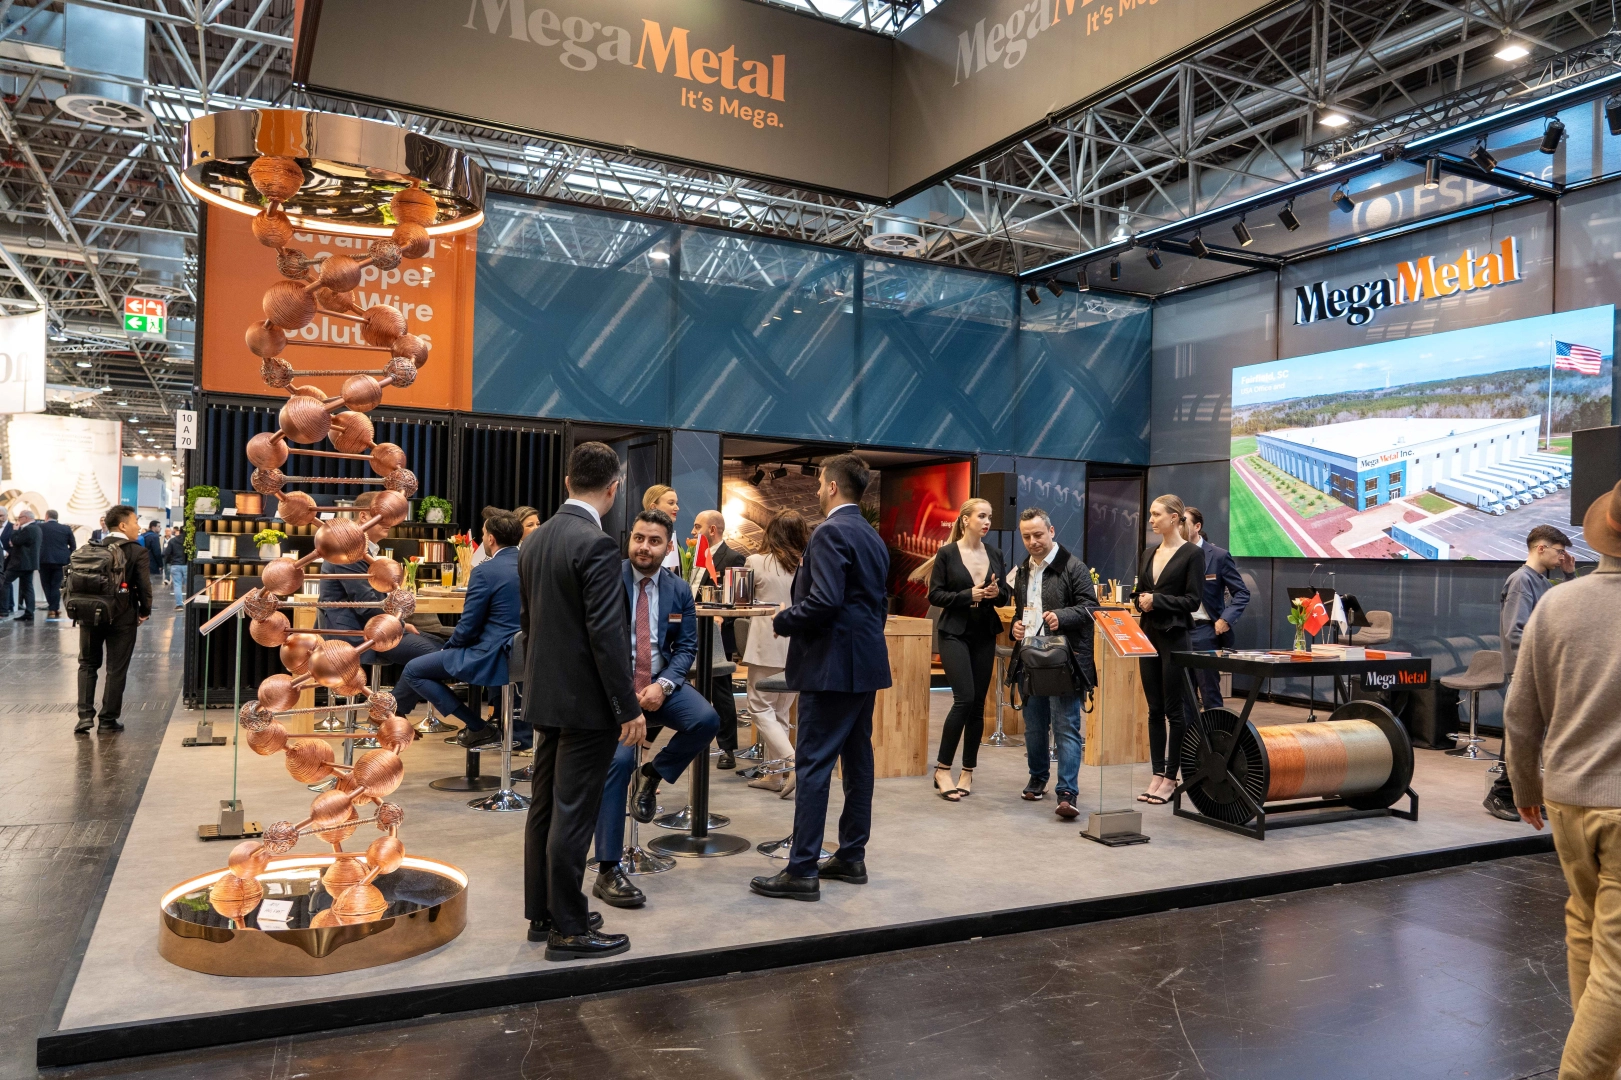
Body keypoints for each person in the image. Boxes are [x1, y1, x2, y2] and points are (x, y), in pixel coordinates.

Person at [1504, 480, 1621, 1080]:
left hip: (1567, 798)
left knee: (1584, 923)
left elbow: (1520, 712)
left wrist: (1524, 786)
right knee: (1618, 969)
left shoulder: (1555, 604)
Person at [519, 442, 645, 960]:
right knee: (573, 813)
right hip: (586, 703)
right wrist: (627, 706)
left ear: (568, 481)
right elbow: (607, 636)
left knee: (546, 807)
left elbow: (529, 624)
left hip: (546, 695)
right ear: (613, 489)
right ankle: (569, 929)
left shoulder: (534, 540)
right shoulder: (596, 544)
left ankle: (544, 912)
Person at [750, 454, 890, 902]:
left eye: (818, 484)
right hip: (864, 664)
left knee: (812, 766)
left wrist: (784, 619)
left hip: (831, 667)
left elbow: (824, 602)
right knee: (858, 762)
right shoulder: (871, 535)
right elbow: (876, 605)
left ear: (831, 486)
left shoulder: (830, 532)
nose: (815, 490)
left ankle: (802, 869)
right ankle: (851, 856)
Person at [590, 509, 719, 910]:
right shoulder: (607, 579)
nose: (644, 547)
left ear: (668, 547)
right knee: (616, 764)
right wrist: (626, 697)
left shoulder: (679, 589)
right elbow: (595, 644)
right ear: (630, 539)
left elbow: (685, 647)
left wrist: (663, 686)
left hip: (660, 687)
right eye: (639, 538)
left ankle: (653, 774)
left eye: (654, 541)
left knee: (706, 720)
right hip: (616, 695)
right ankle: (608, 868)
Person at [396, 514, 521, 748]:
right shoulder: (536, 565)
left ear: (491, 539)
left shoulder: (485, 571)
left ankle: (479, 727)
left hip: (493, 656)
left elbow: (469, 624)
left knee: (414, 670)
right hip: (530, 655)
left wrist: (450, 647)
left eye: (483, 534)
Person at [1009, 507, 1100, 819]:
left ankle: (1067, 792)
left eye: (1038, 534)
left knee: (1066, 726)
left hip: (1065, 661)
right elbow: (1022, 610)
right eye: (1026, 536)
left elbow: (1091, 609)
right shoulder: (1023, 570)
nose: (1032, 541)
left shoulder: (1074, 567)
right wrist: (1016, 627)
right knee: (1034, 726)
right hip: (1030, 658)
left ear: (1051, 531)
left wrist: (1061, 616)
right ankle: (1038, 778)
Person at [1484, 524, 1575, 821]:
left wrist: (1569, 575)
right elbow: (1515, 632)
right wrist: (1536, 666)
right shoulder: (1522, 580)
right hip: (1526, 670)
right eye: (1559, 551)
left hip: (1537, 669)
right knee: (1521, 734)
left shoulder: (1540, 581)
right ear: (1540, 548)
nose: (1562, 557)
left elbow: (1569, 608)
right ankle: (1500, 794)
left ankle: (1522, 796)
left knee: (1528, 735)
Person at [924, 498, 1009, 802]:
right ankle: (942, 769)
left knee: (977, 705)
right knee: (964, 698)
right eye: (981, 516)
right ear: (965, 520)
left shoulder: (995, 554)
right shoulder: (947, 553)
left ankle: (968, 771)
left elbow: (1005, 596)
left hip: (984, 633)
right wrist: (967, 595)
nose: (987, 522)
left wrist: (997, 593)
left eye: (990, 517)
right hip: (954, 633)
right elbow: (935, 595)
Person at [1131, 494, 1204, 806]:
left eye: (1156, 514)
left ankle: (1171, 777)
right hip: (1148, 635)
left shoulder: (1192, 554)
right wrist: (1140, 600)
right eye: (1151, 514)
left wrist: (1157, 600)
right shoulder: (1149, 553)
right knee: (1154, 709)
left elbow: (1193, 601)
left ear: (1174, 517)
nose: (1151, 519)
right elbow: (1139, 591)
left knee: (1175, 711)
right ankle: (1156, 774)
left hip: (1175, 637)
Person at [743, 510, 809, 794]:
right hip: (798, 645)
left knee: (759, 707)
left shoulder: (756, 562)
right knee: (780, 710)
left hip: (766, 644)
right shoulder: (808, 563)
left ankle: (792, 762)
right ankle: (774, 776)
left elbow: (742, 602)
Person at [74, 504, 151, 734]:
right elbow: (144, 587)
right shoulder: (136, 551)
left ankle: (84, 717)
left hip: (90, 614)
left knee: (87, 664)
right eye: (135, 522)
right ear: (123, 525)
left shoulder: (91, 548)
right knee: (116, 669)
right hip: (122, 616)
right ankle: (108, 720)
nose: (138, 527)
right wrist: (144, 611)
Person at [691, 508, 747, 769]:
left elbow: (736, 602)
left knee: (721, 691)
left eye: (697, 526)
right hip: (691, 631)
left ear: (712, 530)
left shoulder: (734, 558)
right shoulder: (694, 558)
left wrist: (721, 617)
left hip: (717, 635)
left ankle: (727, 748)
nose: (693, 532)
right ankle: (695, 743)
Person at [1182, 506, 1249, 709]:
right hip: (1178, 629)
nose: (1179, 527)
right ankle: (1190, 731)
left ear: (1197, 526)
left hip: (1205, 631)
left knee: (1209, 692)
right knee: (1183, 696)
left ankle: (1216, 730)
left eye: (1184, 522)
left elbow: (1242, 592)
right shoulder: (1172, 554)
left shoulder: (1218, 556)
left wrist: (1226, 619)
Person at [38, 509, 76, 620]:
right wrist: (68, 556)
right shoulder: (66, 528)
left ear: (46, 516)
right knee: (56, 585)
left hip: (43, 560)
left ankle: (52, 608)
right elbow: (73, 545)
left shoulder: (40, 527)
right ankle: (54, 608)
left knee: (46, 584)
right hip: (61, 561)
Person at [5, 508, 41, 622]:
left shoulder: (28, 529)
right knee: (27, 587)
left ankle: (4, 609)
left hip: (20, 563)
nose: (18, 520)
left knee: (4, 581)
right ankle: (29, 613)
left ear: (25, 518)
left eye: (19, 518)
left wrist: (15, 531)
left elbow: (16, 541)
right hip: (29, 564)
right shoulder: (37, 528)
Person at [641, 486, 682, 571]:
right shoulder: (637, 537)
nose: (677, 508)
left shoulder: (672, 538)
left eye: (676, 503)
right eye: (671, 503)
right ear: (653, 507)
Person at [163, 527, 187, 608]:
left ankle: (179, 605)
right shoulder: (190, 541)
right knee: (189, 585)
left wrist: (169, 561)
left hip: (175, 565)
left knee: (177, 585)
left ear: (179, 531)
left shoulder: (173, 540)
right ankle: (191, 604)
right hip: (187, 565)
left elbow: (167, 553)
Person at [0, 507, 11, 615]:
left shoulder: (13, 528)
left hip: (8, 561)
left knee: (6, 583)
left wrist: (7, 553)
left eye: (1, 516)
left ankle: (7, 607)